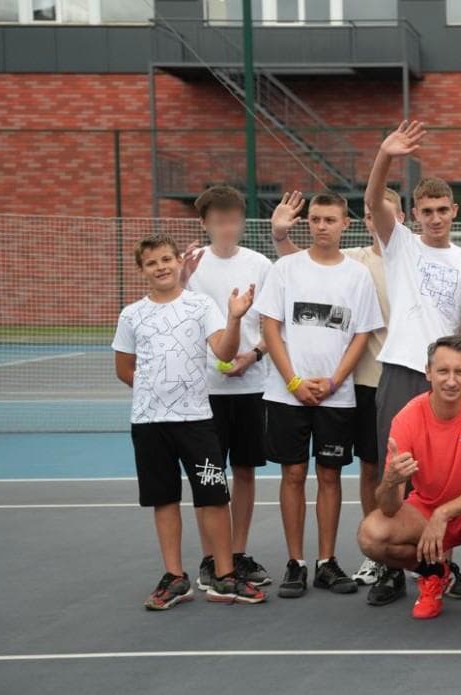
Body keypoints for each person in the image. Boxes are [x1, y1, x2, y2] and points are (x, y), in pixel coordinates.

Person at [358, 121, 461, 604]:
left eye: (442, 210)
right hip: (399, 372)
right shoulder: (401, 247)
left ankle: (443, 567)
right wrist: (385, 154)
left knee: (442, 478)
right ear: (414, 215)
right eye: (426, 211)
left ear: (454, 211)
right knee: (393, 472)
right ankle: (390, 567)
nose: (434, 218)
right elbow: (373, 201)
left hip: (448, 381)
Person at [113, 233, 266, 609]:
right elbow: (124, 369)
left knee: (214, 497)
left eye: (167, 259)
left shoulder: (201, 306)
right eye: (152, 263)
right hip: (149, 423)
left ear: (180, 262)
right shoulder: (132, 314)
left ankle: (225, 576)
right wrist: (156, 389)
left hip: (197, 420)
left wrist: (234, 318)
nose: (161, 267)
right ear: (142, 270)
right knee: (164, 499)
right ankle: (176, 577)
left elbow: (225, 352)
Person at [271, 188, 405, 589]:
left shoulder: (357, 273)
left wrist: (332, 382)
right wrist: (294, 380)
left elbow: (362, 334)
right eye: (315, 219)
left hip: (337, 396)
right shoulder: (286, 269)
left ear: (345, 224)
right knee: (293, 474)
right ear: (307, 223)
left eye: (330, 220)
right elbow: (269, 328)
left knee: (330, 477)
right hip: (287, 394)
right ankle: (295, 563)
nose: (322, 226)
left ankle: (326, 562)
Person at [356, 336, 461, 622]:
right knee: (371, 535)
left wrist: (445, 513)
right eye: (443, 371)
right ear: (428, 372)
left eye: (460, 372)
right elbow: (390, 508)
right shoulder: (406, 418)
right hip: (425, 511)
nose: (451, 381)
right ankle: (434, 575)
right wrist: (391, 481)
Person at [178, 185, 273, 591]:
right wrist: (181, 278)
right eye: (217, 219)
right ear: (204, 223)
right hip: (205, 390)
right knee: (208, 474)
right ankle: (208, 557)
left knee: (245, 471)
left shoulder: (260, 265)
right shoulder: (191, 268)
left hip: (252, 386)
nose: (226, 226)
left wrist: (251, 355)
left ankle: (236, 552)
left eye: (232, 217)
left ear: (241, 220)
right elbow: (178, 317)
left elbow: (272, 326)